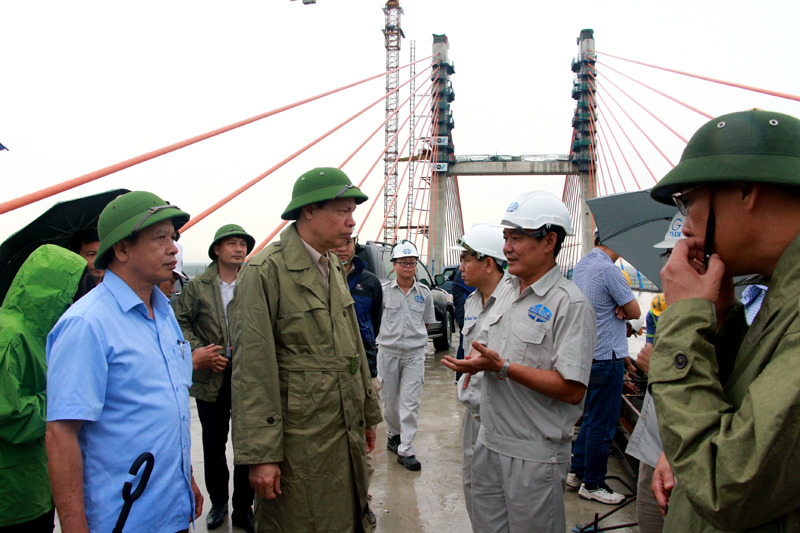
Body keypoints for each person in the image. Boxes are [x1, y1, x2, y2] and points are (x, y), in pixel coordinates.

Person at [647, 109, 800, 531]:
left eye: (688, 200)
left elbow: (722, 480)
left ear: (746, 192)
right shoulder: (781, 299)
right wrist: (720, 321)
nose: (684, 226)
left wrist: (680, 322)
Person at [229, 167, 382, 532]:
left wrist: (367, 411)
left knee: (346, 515)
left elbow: (353, 351)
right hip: (299, 440)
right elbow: (252, 369)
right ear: (309, 210)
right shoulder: (265, 271)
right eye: (342, 211)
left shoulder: (333, 264)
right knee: (300, 519)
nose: (351, 222)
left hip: (341, 425)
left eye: (352, 212)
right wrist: (261, 456)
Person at [46, 191, 203, 533]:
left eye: (172, 237)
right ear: (121, 249)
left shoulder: (164, 315)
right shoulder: (87, 325)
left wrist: (186, 476)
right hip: (122, 518)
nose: (173, 248)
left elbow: (170, 406)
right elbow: (61, 433)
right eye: (159, 238)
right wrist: (75, 526)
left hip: (172, 510)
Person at [442, 191, 597, 533]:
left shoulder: (569, 305)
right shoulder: (507, 290)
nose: (507, 248)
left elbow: (572, 390)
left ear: (549, 241)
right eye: (505, 239)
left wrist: (504, 368)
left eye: (517, 238)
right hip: (488, 441)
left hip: (534, 455)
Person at [0, 245, 94, 532]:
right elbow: (9, 415)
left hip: (34, 485)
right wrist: (61, 397)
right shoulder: (10, 337)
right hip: (12, 496)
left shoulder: (39, 331)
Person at [174, 224, 256, 532]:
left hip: (247, 375)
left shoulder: (254, 281)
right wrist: (201, 352)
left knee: (248, 442)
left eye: (243, 244)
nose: (238, 248)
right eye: (231, 243)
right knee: (213, 443)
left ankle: (243, 508)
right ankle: (219, 502)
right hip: (211, 375)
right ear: (217, 250)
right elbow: (180, 321)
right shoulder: (198, 286)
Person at [568, 232, 641, 505]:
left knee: (591, 418)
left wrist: (619, 306)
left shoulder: (583, 265)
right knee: (604, 424)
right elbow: (634, 311)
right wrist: (622, 306)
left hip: (589, 354)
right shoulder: (609, 271)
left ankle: (577, 472)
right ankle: (594, 483)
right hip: (608, 355)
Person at [625, 213, 684, 533]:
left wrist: (658, 367)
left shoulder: (738, 318)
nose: (669, 268)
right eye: (667, 256)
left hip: (687, 455)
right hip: (653, 445)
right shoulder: (661, 307)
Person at [449, 223, 507, 527]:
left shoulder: (515, 302)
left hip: (503, 412)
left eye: (466, 259)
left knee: (500, 493)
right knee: (472, 485)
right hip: (473, 411)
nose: (461, 267)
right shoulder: (471, 301)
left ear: (488, 264)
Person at [331, 229, 382, 528]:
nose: (342, 247)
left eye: (347, 241)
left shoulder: (370, 283)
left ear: (355, 246)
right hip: (330, 373)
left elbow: (373, 325)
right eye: (337, 242)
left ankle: (362, 501)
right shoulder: (321, 277)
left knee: (366, 441)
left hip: (366, 373)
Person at [376, 240, 435, 471]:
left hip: (414, 355)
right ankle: (394, 435)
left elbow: (426, 323)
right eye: (403, 262)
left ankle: (407, 449)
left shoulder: (424, 293)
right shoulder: (382, 293)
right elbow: (376, 322)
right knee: (390, 401)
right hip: (388, 352)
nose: (408, 267)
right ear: (394, 265)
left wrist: (413, 341)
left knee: (410, 402)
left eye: (412, 262)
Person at [452, 267, 476, 380]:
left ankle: (460, 375)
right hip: (465, 314)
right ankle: (460, 376)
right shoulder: (462, 275)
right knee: (465, 344)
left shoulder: (461, 273)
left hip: (465, 313)